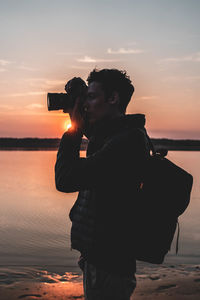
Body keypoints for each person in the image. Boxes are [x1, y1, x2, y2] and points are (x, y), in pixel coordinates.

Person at [55, 68, 150, 300]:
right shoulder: (120, 135)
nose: (86, 104)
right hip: (103, 258)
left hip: (110, 264)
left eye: (91, 97)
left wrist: (74, 129)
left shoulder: (127, 141)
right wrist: (76, 103)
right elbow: (98, 136)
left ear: (113, 98)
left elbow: (65, 180)